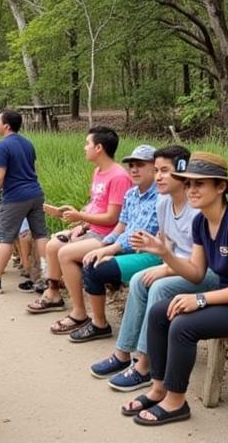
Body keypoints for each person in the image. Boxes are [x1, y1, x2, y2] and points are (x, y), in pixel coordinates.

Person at [125, 152, 228, 426]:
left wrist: (199, 300)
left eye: (199, 184)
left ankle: (176, 403)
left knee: (183, 326)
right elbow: (196, 273)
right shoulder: (201, 221)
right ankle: (159, 388)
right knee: (158, 312)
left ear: (220, 187)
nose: (191, 190)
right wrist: (165, 253)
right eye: (188, 184)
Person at [88, 146, 218, 392]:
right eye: (156, 170)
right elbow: (166, 245)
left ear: (182, 173)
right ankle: (123, 353)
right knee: (140, 280)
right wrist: (163, 263)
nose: (158, 176)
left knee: (158, 286)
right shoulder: (164, 203)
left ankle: (145, 365)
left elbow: (201, 264)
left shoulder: (198, 210)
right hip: (177, 265)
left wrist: (167, 270)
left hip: (203, 272)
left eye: (165, 171)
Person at [26, 126, 132, 334]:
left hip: (107, 235)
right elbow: (95, 204)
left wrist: (80, 216)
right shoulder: (98, 172)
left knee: (65, 253)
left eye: (87, 144)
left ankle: (79, 312)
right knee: (54, 243)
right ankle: (53, 293)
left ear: (99, 147)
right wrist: (79, 225)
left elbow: (113, 218)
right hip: (92, 230)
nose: (85, 148)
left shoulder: (119, 177)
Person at [68, 145, 160, 342]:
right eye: (132, 165)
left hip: (144, 252)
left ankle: (99, 324)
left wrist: (111, 249)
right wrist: (103, 246)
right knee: (91, 258)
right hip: (124, 247)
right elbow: (121, 226)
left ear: (155, 167)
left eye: (140, 165)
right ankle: (96, 320)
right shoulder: (131, 194)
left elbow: (140, 235)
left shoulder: (160, 197)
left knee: (95, 268)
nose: (134, 169)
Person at [0, 109, 49, 293]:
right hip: (35, 193)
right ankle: (48, 277)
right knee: (40, 234)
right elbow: (32, 169)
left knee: (5, 237)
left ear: (6, 126)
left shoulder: (2, 146)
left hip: (15, 197)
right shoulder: (28, 144)